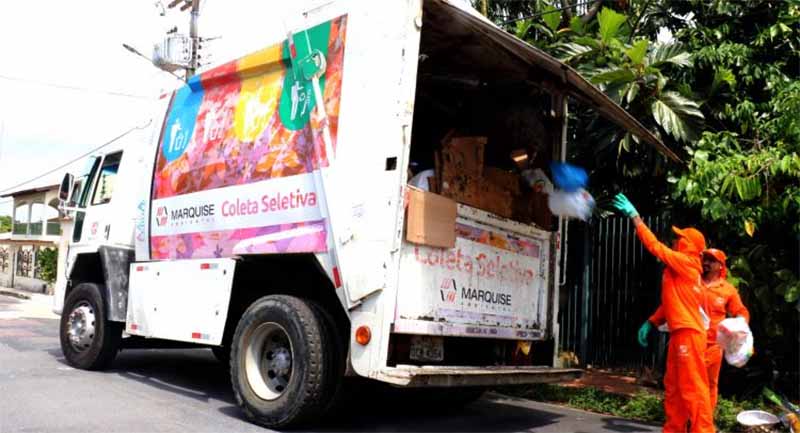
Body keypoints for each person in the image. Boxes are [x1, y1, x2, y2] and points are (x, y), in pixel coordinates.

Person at [612, 193, 715, 433]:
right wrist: (652, 321)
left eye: (681, 238)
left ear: (690, 246)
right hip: (681, 334)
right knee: (674, 388)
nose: (676, 241)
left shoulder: (687, 263)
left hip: (689, 334)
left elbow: (655, 247)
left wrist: (635, 217)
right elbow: (671, 302)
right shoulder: (679, 271)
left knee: (693, 389)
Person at [639, 248, 750, 410]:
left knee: (709, 386)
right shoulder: (691, 281)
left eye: (711, 260)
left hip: (712, 348)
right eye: (705, 259)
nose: (706, 263)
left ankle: (704, 422)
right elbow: (670, 304)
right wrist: (651, 322)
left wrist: (740, 323)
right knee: (683, 384)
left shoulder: (728, 290)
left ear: (721, 266)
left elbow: (741, 311)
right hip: (688, 344)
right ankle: (684, 420)